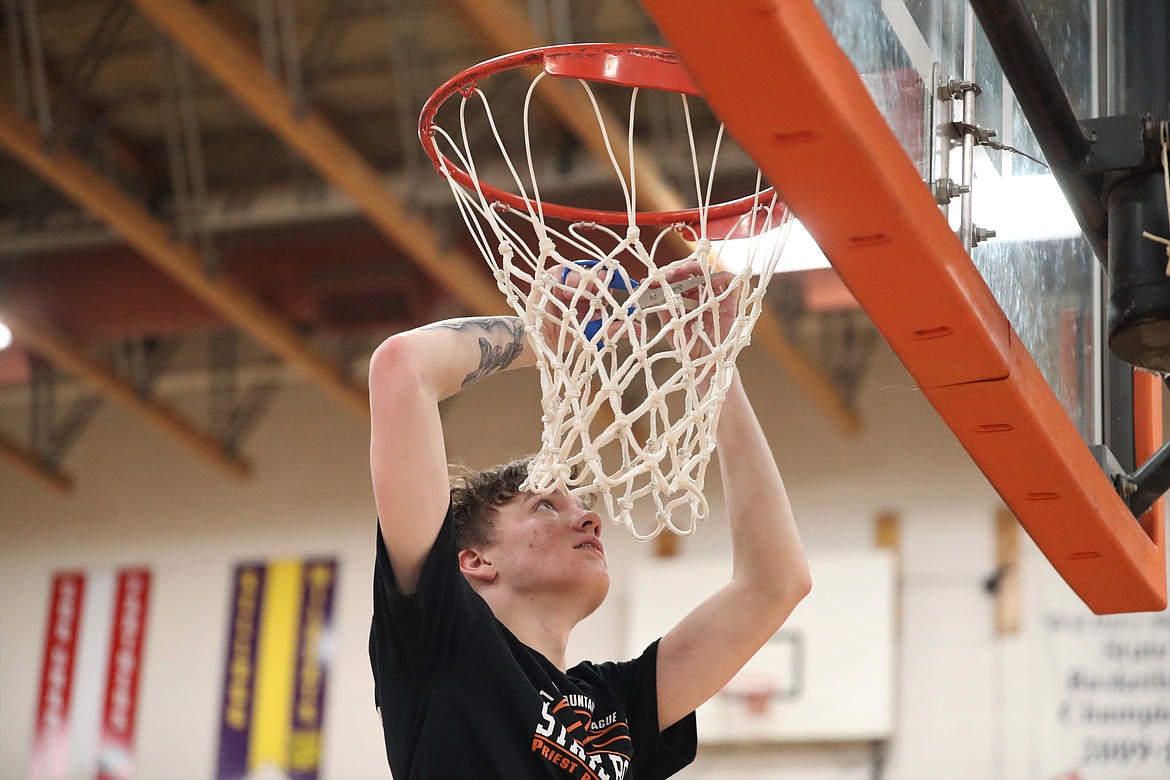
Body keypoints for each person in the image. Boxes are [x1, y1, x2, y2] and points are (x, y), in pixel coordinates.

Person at [367, 268, 811, 778]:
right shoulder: (443, 636)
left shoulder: (609, 709)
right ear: (475, 560)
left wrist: (716, 367)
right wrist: (546, 336)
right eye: (546, 506)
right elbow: (401, 368)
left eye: (577, 505)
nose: (590, 519)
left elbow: (775, 583)